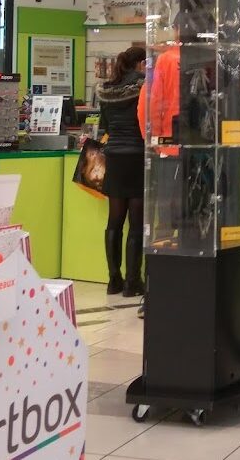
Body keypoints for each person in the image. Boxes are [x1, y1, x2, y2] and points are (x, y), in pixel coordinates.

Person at [98, 46, 146, 296]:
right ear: (141, 63)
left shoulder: (107, 89)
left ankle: (113, 280)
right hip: (138, 155)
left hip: (114, 157)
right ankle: (132, 282)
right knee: (136, 223)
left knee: (114, 221)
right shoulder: (143, 86)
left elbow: (105, 127)